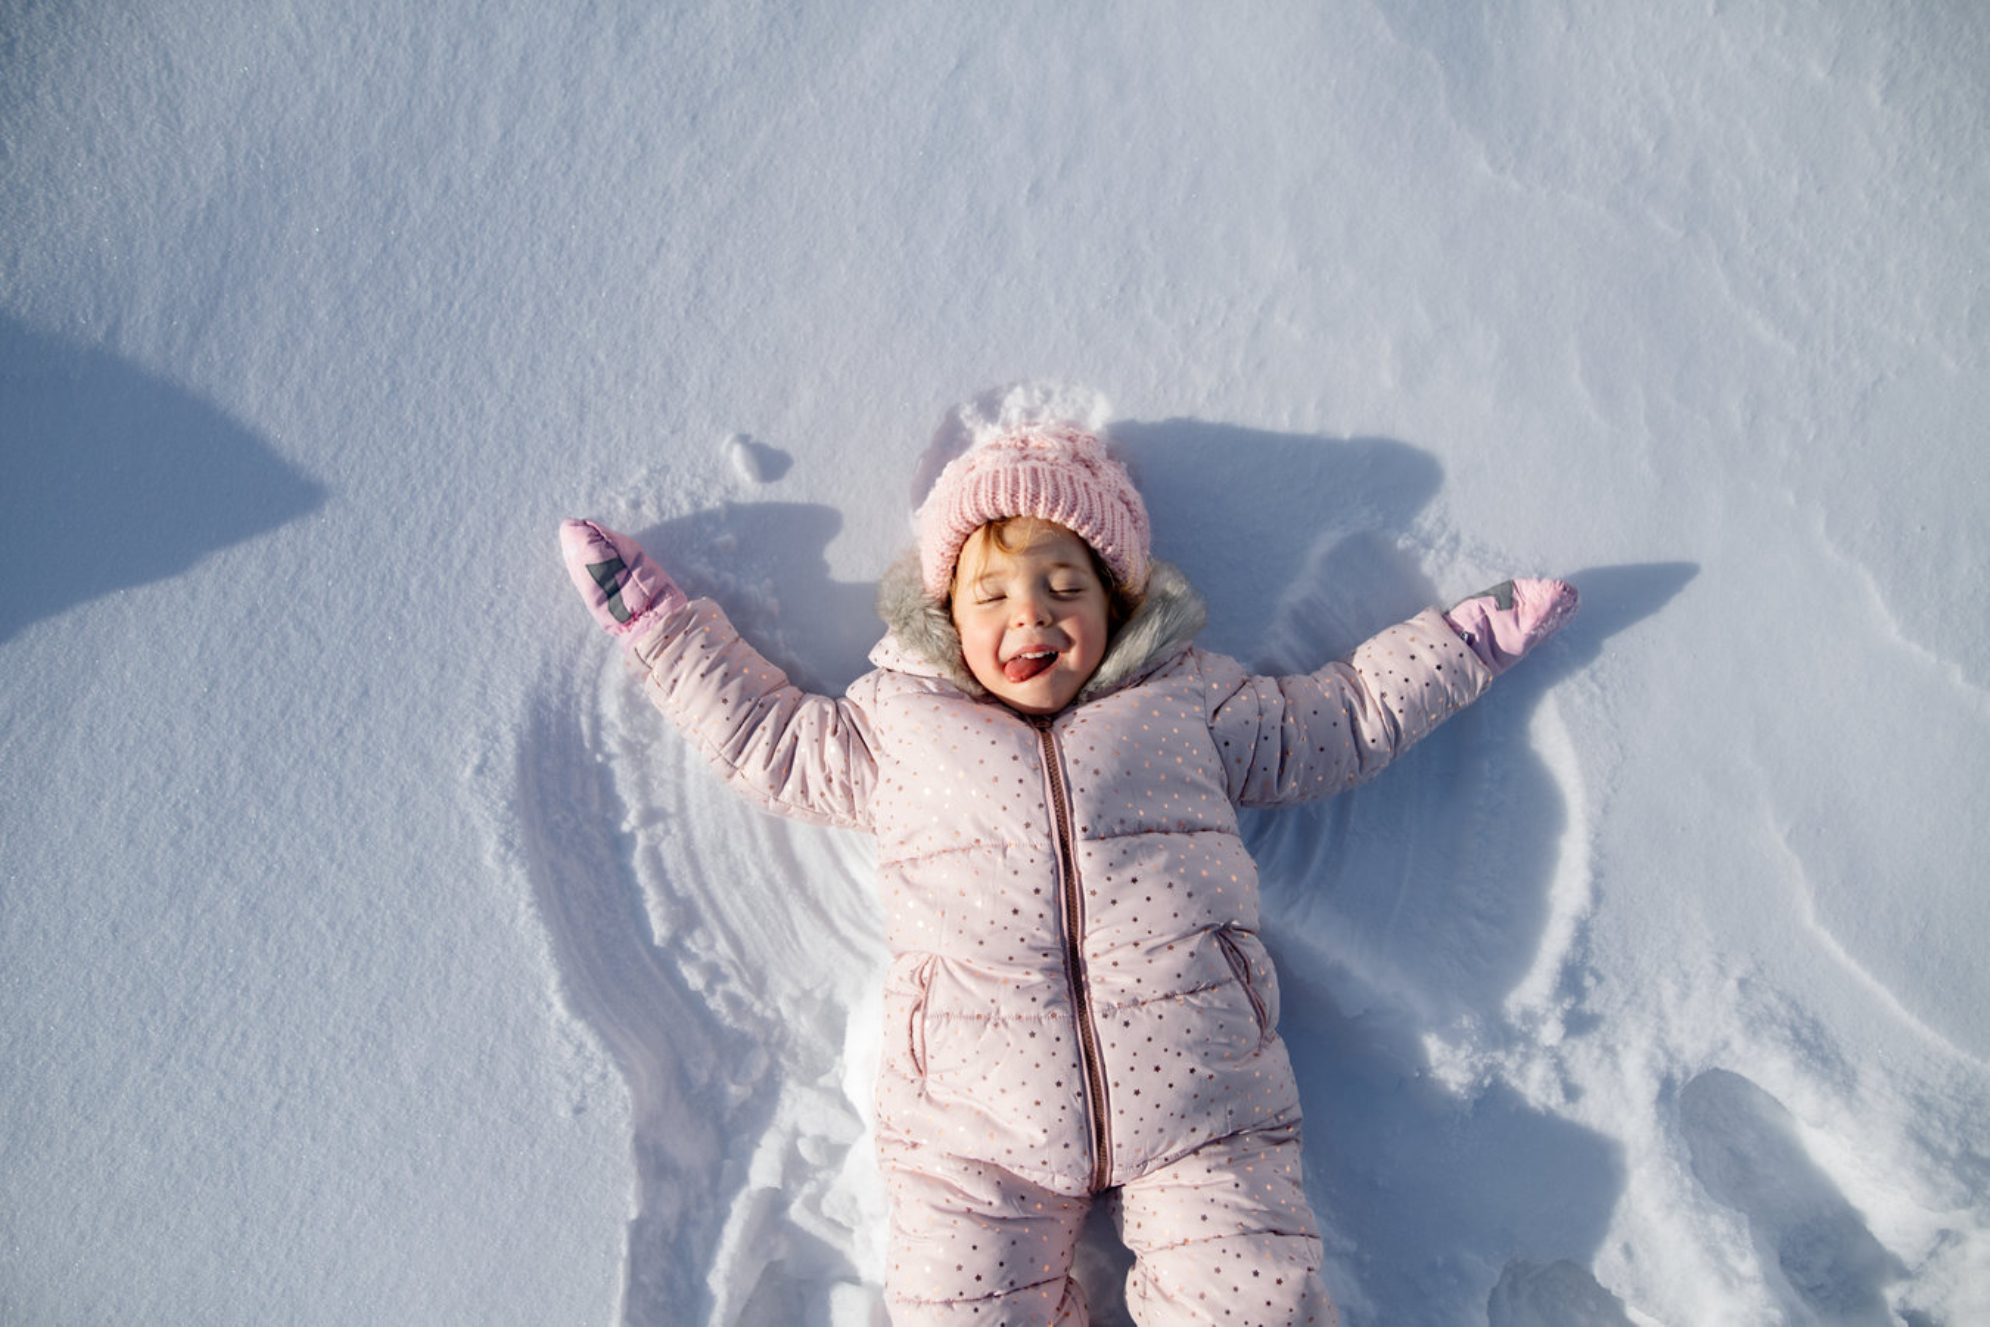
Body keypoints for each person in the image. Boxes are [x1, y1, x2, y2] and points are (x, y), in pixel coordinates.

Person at [558, 403, 1576, 1325]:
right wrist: (655, 622)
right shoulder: (899, 728)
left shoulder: (1187, 701)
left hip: (1202, 1099)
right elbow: (765, 736)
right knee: (960, 1309)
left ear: (1116, 604)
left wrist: (1463, 642)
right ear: (944, 614)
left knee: (1252, 1299)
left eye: (1063, 585)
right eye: (991, 592)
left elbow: (1340, 719)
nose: (1030, 614)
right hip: (976, 1124)